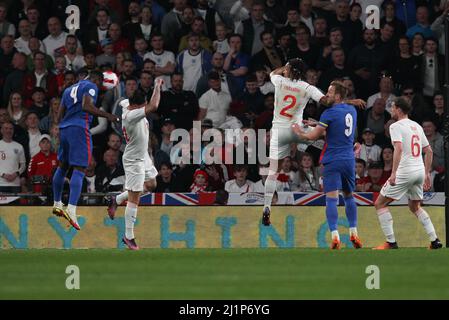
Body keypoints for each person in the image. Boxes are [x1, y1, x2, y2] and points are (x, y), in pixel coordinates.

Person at [261, 58, 364, 226]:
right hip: (297, 128)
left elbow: (274, 72)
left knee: (273, 170)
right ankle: (351, 147)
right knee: (322, 136)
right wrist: (349, 102)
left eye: (287, 68)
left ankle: (266, 207)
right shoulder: (307, 87)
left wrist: (284, 68)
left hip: (279, 131)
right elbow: (329, 102)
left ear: (289, 70)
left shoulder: (278, 80)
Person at [292, 80, 363, 250]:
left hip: (332, 160)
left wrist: (299, 131)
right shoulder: (351, 110)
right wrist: (318, 124)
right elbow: (336, 127)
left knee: (331, 199)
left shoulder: (328, 113)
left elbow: (313, 137)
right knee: (348, 196)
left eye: (330, 92)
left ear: (337, 95)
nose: (326, 95)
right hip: (348, 160)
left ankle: (335, 237)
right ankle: (354, 233)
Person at [52, 71, 119, 230]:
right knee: (80, 169)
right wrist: (108, 115)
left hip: (64, 129)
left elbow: (58, 116)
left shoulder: (69, 89)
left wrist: (63, 130)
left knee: (63, 166)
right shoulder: (91, 86)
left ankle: (57, 203)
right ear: (96, 79)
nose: (100, 87)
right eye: (101, 83)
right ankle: (72, 209)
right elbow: (86, 106)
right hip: (79, 128)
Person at [373, 97, 442, 250]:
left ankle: (391, 242)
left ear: (398, 109)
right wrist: (426, 173)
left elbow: (398, 148)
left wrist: (394, 173)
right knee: (415, 206)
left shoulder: (395, 126)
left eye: (392, 107)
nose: (391, 110)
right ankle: (435, 240)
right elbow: (428, 150)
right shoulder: (416, 126)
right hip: (418, 171)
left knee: (380, 203)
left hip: (405, 171)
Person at [106, 79, 163, 250]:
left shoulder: (126, 104)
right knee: (134, 198)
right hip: (134, 160)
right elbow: (153, 106)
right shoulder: (132, 115)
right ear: (139, 106)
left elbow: (125, 99)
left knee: (152, 184)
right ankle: (128, 236)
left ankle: (116, 199)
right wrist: (157, 86)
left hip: (143, 154)